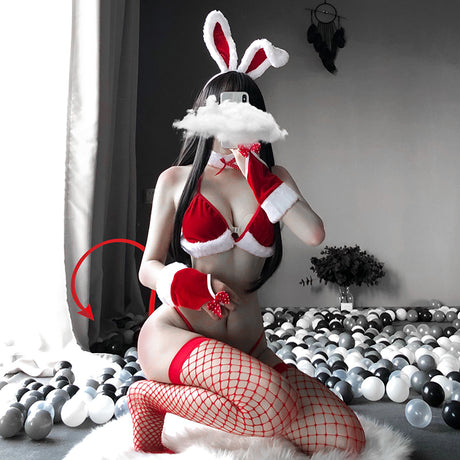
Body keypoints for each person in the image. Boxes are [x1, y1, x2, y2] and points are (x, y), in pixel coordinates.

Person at [127, 11, 365, 456]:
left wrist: (260, 179)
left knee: (348, 439)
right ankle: (148, 397)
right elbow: (148, 268)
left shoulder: (275, 178)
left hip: (250, 346)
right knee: (271, 407)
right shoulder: (175, 180)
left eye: (243, 108)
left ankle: (249, 393)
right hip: (179, 333)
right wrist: (188, 283)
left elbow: (313, 233)